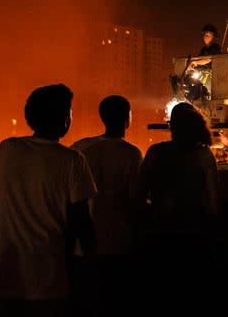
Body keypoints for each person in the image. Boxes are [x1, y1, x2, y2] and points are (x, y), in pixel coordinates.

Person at [0, 83, 97, 317]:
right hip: (48, 282)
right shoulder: (73, 160)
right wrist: (89, 264)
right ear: (64, 119)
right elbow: (82, 221)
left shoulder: (9, 149)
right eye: (70, 111)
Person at [139, 101, 220, 314]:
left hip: (161, 233)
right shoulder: (204, 156)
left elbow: (140, 194)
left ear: (171, 126)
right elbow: (213, 203)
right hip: (194, 234)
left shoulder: (155, 152)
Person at [69, 95, 143, 317]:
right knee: (115, 299)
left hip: (84, 242)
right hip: (118, 239)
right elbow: (135, 199)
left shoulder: (81, 147)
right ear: (127, 119)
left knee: (86, 299)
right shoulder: (131, 153)